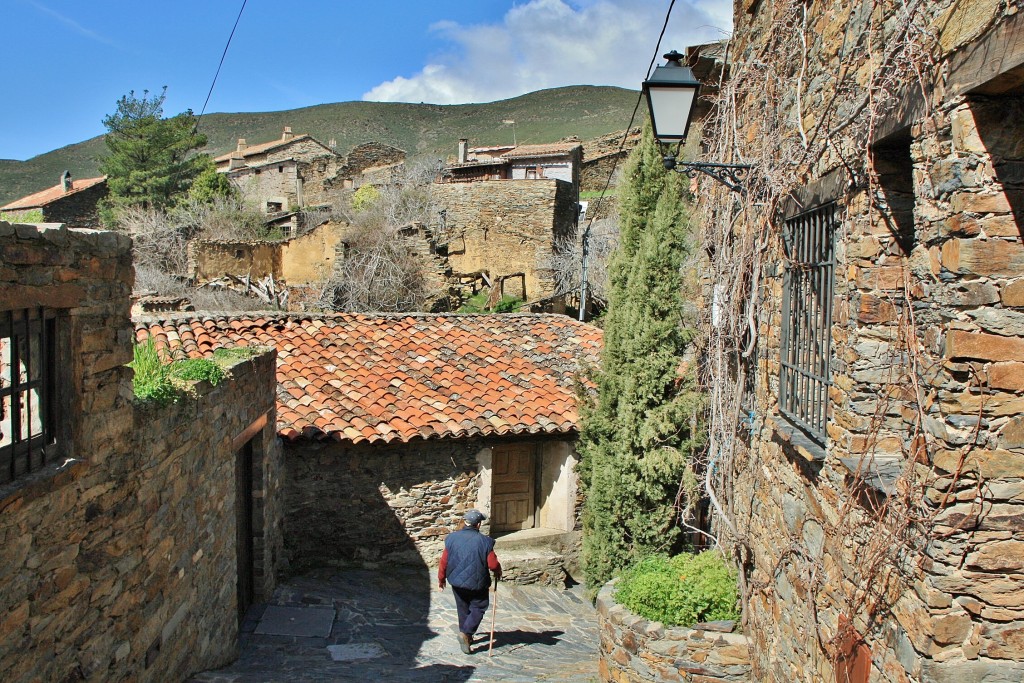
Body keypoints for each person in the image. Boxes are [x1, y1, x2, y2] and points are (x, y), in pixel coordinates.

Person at [438, 509, 502, 654]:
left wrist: (441, 579)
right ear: (478, 524)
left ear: (465, 522)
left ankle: (466, 636)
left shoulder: (452, 538)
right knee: (479, 606)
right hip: (478, 583)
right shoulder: (485, 542)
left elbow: (444, 561)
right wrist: (498, 571)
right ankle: (466, 633)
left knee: (463, 608)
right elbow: (492, 564)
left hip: (456, 581)